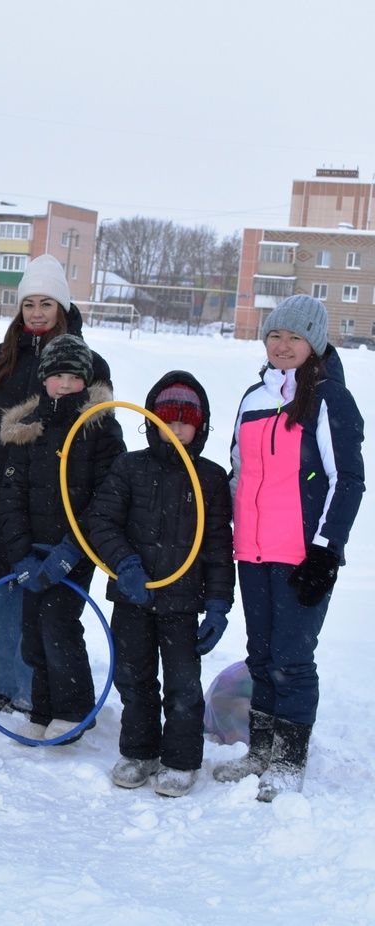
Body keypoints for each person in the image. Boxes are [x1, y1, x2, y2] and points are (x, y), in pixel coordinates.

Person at [214, 295, 364, 801]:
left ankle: (287, 762)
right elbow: (238, 474)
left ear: (314, 344)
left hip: (303, 556)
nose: (283, 345)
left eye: (295, 337)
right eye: (275, 335)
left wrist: (325, 550)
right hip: (252, 553)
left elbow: (348, 482)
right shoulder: (253, 398)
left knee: (292, 660)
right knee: (260, 656)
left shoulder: (329, 399)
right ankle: (259, 750)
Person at [0, 254, 111, 715]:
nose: (38, 312)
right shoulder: (0, 359)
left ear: (62, 306)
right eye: (29, 304)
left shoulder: (88, 361)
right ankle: (5, 682)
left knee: (49, 599)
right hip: (5, 497)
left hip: (60, 501)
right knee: (5, 586)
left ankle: (42, 689)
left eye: (47, 302)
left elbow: (99, 433)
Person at [83, 373, 234, 796]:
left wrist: (219, 603)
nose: (177, 427)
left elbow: (219, 544)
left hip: (183, 604)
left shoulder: (211, 477)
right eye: (168, 417)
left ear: (201, 426)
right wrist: (126, 564)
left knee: (183, 685)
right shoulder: (129, 467)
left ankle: (182, 760)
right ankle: (139, 751)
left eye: (186, 419)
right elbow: (101, 521)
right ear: (150, 420)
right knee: (134, 679)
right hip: (134, 597)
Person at [0, 334, 124, 743]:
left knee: (59, 625)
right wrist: (20, 556)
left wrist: (71, 552)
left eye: (73, 376)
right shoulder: (28, 430)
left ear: (85, 380)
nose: (64, 384)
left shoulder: (99, 427)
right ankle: (44, 706)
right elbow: (10, 497)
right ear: (44, 379)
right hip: (33, 551)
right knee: (32, 630)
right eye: (56, 376)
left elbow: (108, 496)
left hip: (76, 552)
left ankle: (73, 709)